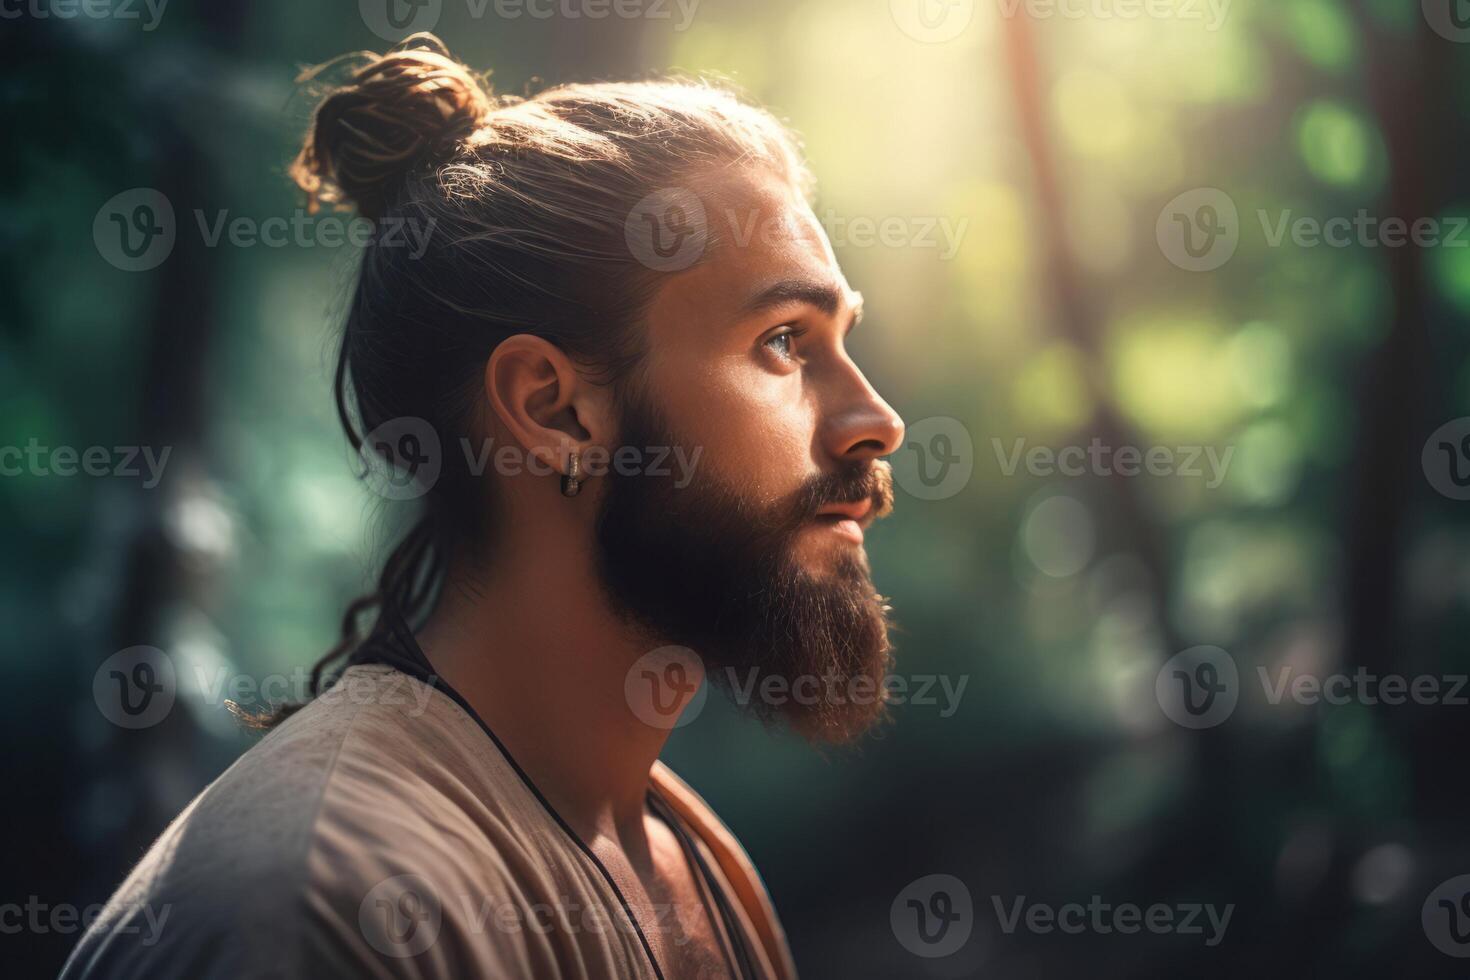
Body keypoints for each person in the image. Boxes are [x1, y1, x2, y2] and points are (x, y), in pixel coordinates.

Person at [63, 32, 905, 980]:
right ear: (552, 408)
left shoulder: (693, 856)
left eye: (840, 339)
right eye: (785, 342)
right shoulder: (319, 911)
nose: (877, 422)